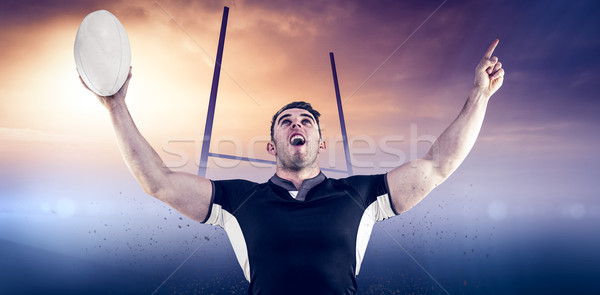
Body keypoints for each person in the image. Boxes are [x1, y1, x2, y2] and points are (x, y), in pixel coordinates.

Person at [80, 39, 504, 294]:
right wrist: (115, 106)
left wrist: (479, 97)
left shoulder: (361, 195)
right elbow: (158, 181)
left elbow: (437, 166)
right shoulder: (236, 199)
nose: (296, 124)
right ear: (272, 145)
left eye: (306, 121)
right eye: (286, 121)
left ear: (321, 142)